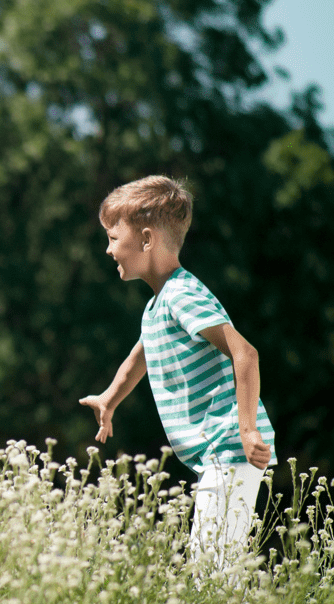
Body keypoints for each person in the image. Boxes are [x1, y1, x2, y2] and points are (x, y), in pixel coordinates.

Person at [79, 175, 276, 571]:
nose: (108, 248)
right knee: (217, 568)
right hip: (219, 454)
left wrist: (248, 427)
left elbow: (246, 354)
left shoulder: (182, 296)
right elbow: (139, 358)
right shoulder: (158, 306)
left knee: (211, 570)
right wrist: (109, 399)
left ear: (147, 240)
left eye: (114, 238)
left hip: (231, 447)